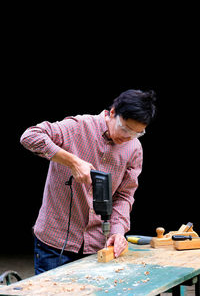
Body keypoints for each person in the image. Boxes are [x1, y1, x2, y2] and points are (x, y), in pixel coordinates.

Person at [20, 89, 156, 274]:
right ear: (113, 112)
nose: (127, 137)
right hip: (55, 241)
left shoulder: (134, 149)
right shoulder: (78, 127)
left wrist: (117, 231)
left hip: (98, 244)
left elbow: (124, 196)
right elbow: (30, 136)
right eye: (124, 129)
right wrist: (73, 162)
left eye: (135, 134)